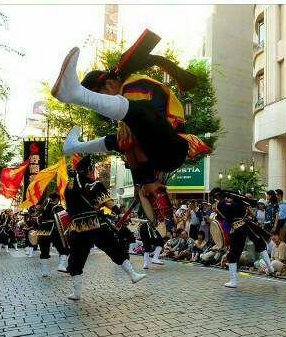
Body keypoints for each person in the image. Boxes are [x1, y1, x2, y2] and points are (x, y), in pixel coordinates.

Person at [54, 30, 210, 232]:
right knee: (122, 137)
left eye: (99, 96)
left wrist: (148, 180)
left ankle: (76, 95)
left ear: (110, 84)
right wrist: (141, 183)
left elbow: (135, 139)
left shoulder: (135, 85)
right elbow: (129, 145)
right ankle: (74, 146)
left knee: (139, 116)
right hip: (159, 151)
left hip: (173, 147)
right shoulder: (128, 110)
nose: (103, 105)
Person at [63, 156, 144, 300]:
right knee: (114, 248)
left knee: (76, 259)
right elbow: (109, 203)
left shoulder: (69, 187)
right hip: (94, 224)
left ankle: (76, 293)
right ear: (88, 171)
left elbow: (69, 210)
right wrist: (119, 213)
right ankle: (133, 275)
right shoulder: (95, 185)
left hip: (77, 227)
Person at [211, 188, 269, 289]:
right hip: (246, 225)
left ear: (216, 196)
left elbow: (225, 221)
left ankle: (233, 281)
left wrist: (218, 211)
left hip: (236, 229)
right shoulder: (239, 201)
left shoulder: (221, 204)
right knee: (258, 242)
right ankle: (270, 266)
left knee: (233, 254)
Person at [33, 192, 69, 277]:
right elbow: (63, 219)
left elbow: (38, 220)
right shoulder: (57, 207)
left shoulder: (43, 207)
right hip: (54, 230)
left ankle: (44, 272)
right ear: (57, 199)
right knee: (65, 248)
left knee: (44, 251)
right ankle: (61, 265)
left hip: (42, 231)